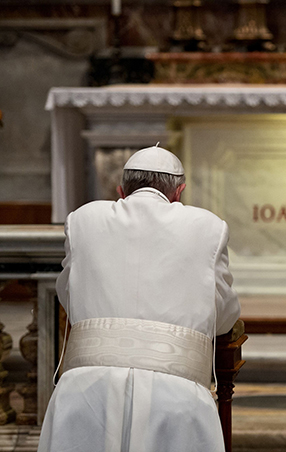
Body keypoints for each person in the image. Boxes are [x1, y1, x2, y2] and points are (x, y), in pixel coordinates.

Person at [38, 145, 241, 452]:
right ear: (179, 192)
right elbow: (225, 315)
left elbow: (68, 293)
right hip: (176, 395)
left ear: (121, 190)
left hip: (86, 392)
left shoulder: (82, 220)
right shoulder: (209, 227)